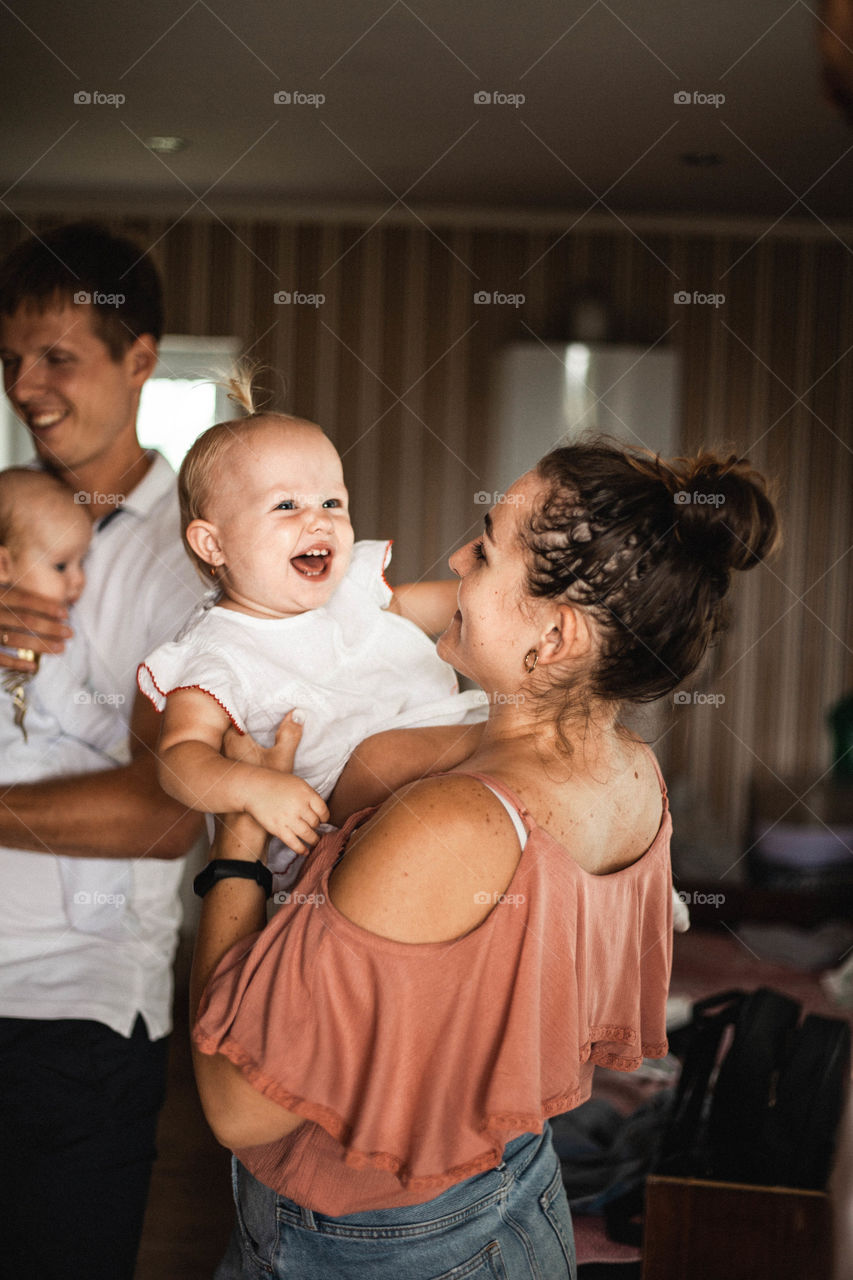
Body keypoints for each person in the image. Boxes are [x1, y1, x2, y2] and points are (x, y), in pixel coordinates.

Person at [189, 441, 779, 1279]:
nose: (457, 559)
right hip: (517, 1190)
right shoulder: (630, 770)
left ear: (555, 633)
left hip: (378, 1243)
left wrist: (236, 846)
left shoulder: (452, 822)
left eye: (487, 547)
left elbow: (236, 1108)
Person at [0, 222, 204, 1280]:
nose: (24, 387)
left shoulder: (190, 561)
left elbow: (164, 811)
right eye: (10, 358)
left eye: (57, 357)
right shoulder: (6, 518)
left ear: (140, 360)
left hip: (70, 1017)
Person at [137, 379, 487, 878]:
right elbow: (179, 756)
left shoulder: (347, 590)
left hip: (429, 777)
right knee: (434, 747)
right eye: (286, 506)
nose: (319, 522)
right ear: (213, 545)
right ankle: (526, 738)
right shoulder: (218, 650)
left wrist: (497, 596)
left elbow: (410, 607)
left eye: (332, 503)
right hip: (331, 821)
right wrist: (254, 788)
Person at [0, 466, 135, 933]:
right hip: (26, 759)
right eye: (61, 566)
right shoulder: (42, 629)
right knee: (94, 777)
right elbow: (71, 706)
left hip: (17, 754)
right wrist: (120, 745)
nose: (78, 581)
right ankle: (95, 909)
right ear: (4, 565)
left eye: (82, 563)